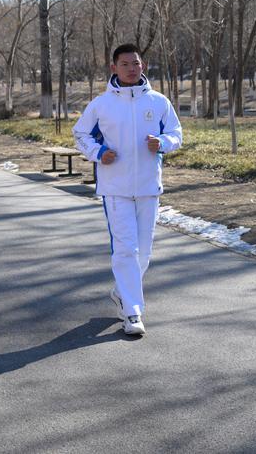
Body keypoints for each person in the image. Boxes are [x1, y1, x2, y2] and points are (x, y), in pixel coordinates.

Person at [73, 44, 183, 336]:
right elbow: (80, 134)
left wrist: (163, 143)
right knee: (126, 249)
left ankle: (123, 291)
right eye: (125, 64)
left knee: (143, 252)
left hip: (148, 187)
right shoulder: (101, 104)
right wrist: (98, 153)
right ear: (114, 68)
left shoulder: (159, 102)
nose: (131, 68)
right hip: (115, 188)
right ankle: (133, 312)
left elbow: (176, 133)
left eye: (135, 63)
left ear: (142, 65)